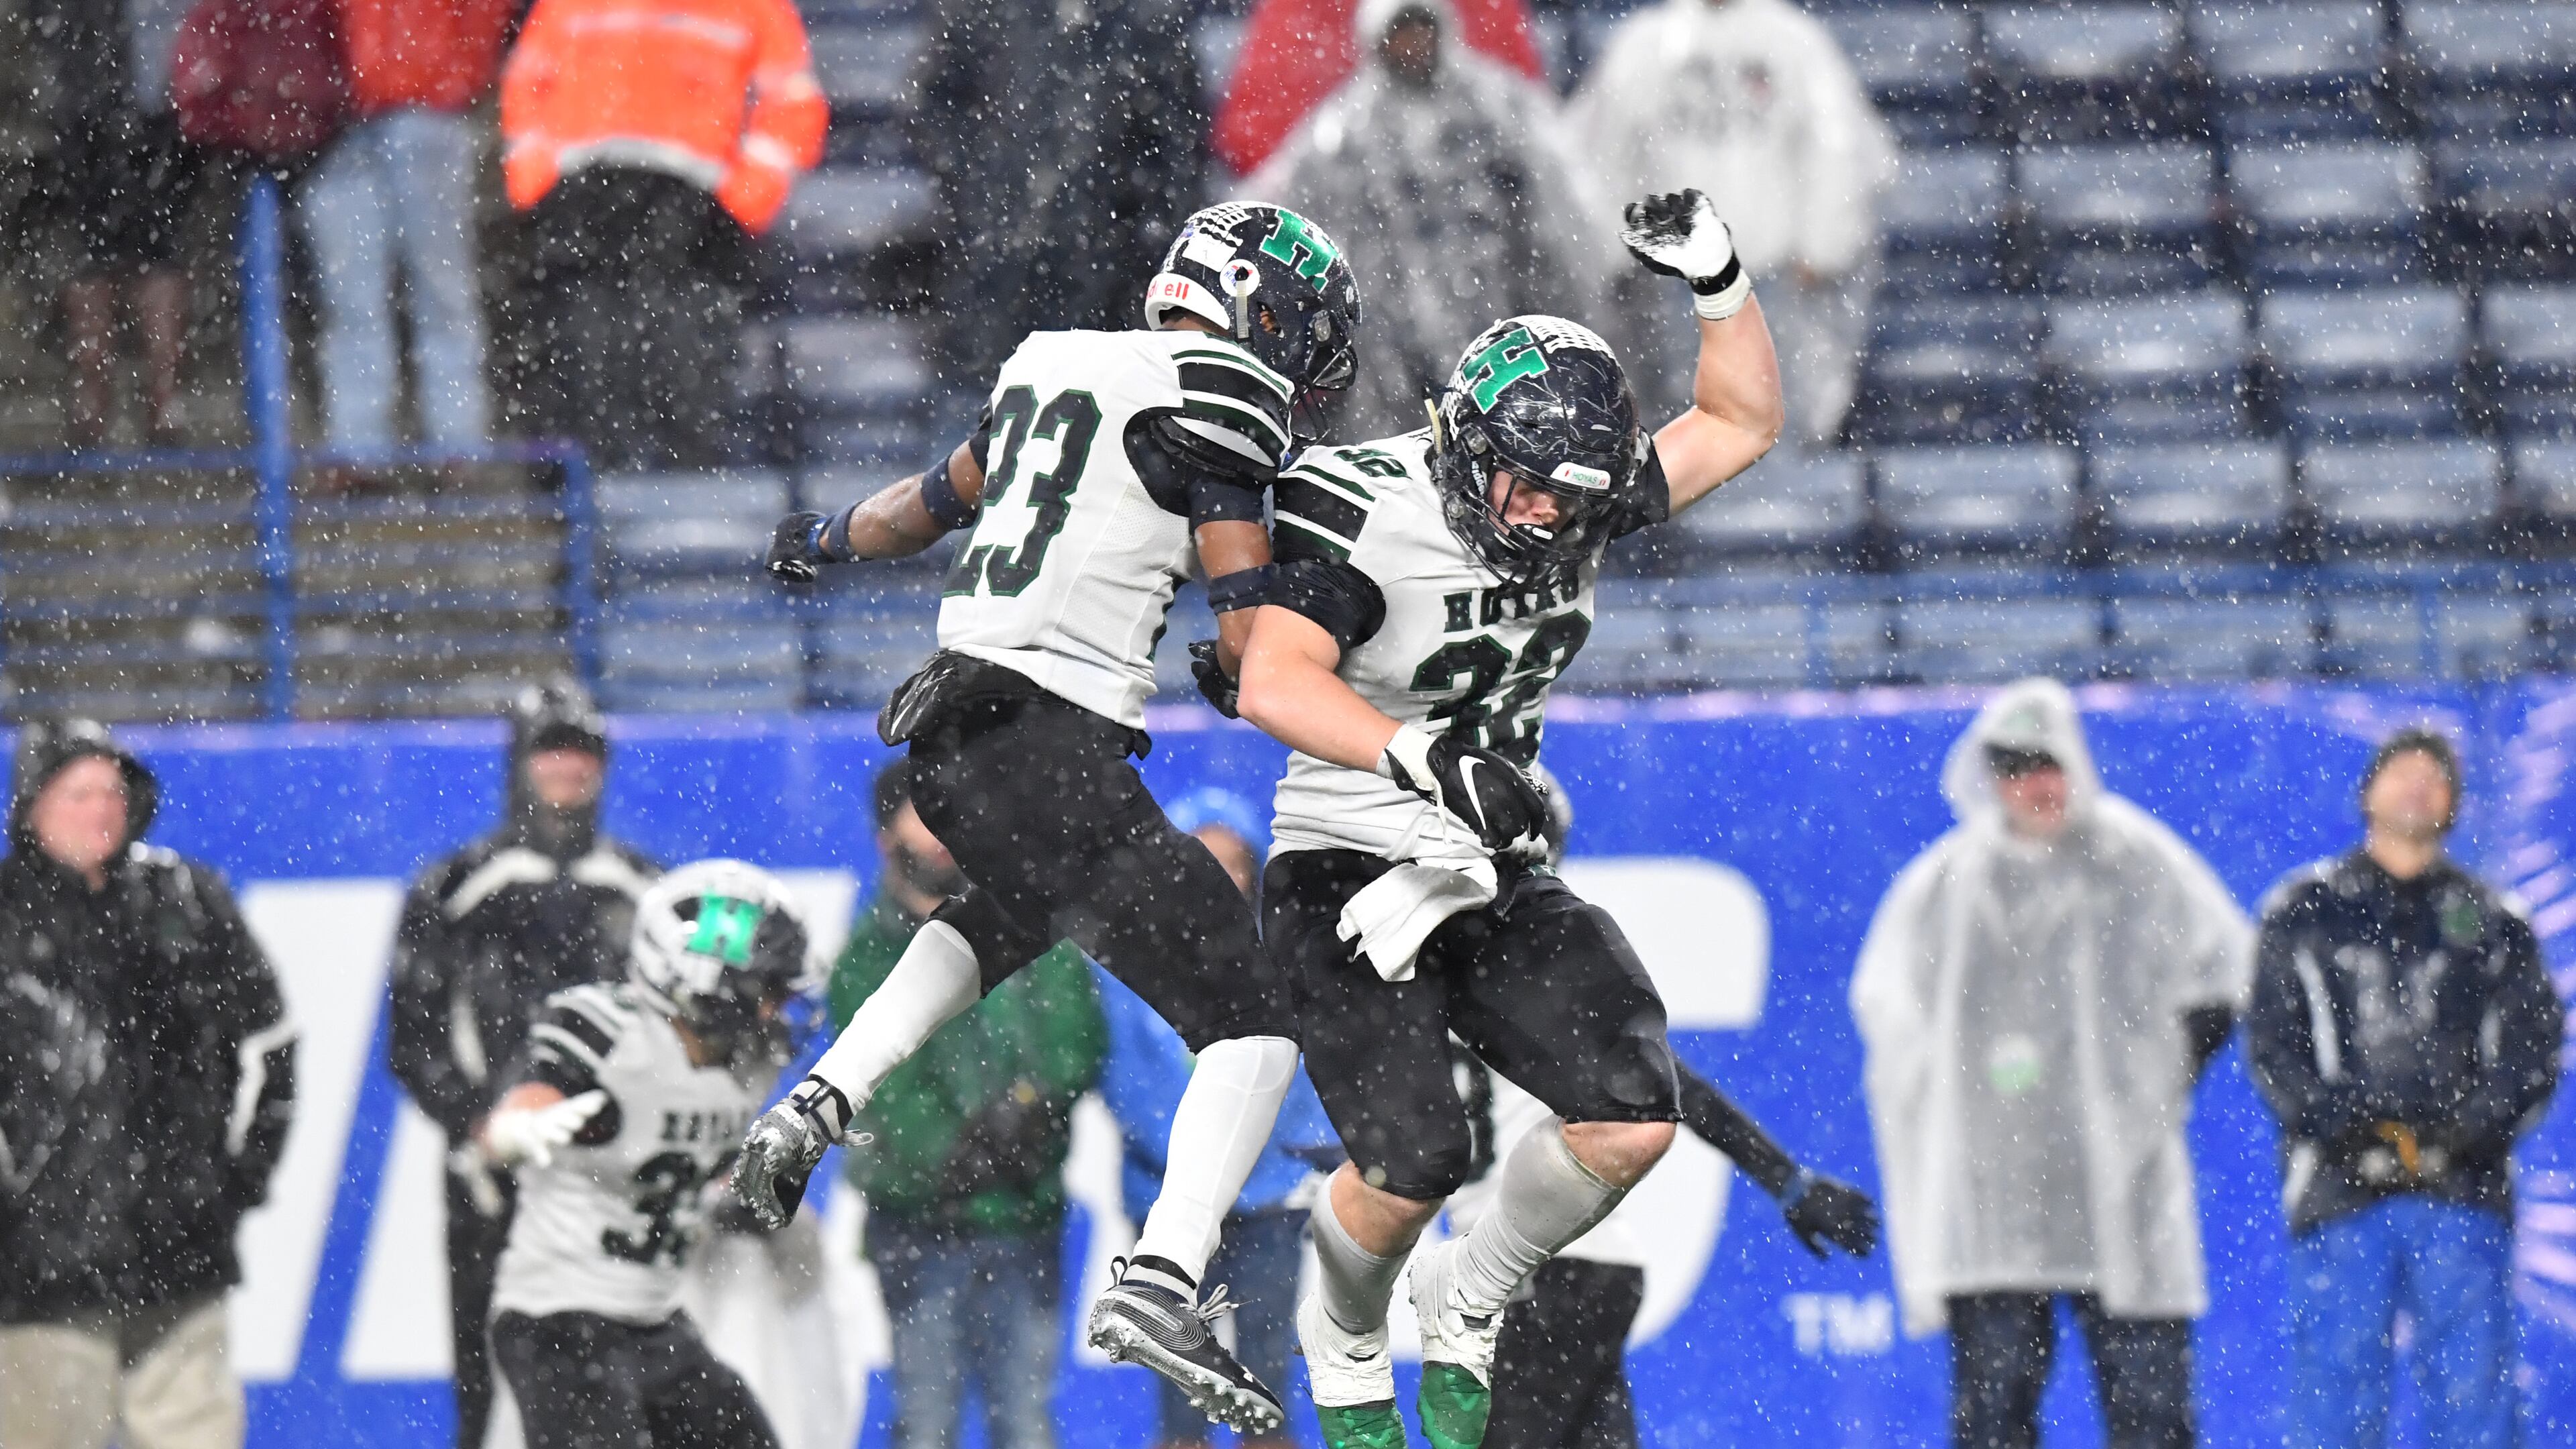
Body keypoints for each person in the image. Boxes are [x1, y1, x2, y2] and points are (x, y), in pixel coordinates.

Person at [742, 201, 1366, 1436]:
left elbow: (924, 504)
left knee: (1007, 916)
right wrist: (1295, 630)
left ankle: (818, 1099)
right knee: (1254, 1024)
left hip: (944, 739)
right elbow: (1246, 640)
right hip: (1052, 741)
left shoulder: (1048, 359)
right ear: (1260, 313)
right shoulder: (1226, 394)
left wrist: (816, 538)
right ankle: (1167, 1275)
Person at [1232, 189, 1784, 1447]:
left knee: (1631, 1111)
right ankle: (1347, 1332)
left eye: (1569, 500)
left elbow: (1746, 419)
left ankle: (1469, 1297)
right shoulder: (1358, 501)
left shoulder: (1575, 498)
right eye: (1523, 486)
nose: (1544, 516)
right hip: (1343, 854)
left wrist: (1718, 280)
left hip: (1481, 856)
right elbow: (1273, 679)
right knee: (1411, 1158)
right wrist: (1422, 758)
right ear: (1460, 442)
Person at [1850, 678, 2253, 1449]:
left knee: (2151, 1416)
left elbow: (2223, 974)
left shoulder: (2138, 861)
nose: (2035, 785)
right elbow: (1889, 1009)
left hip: (2122, 1186)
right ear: (1990, 778)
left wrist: (2157, 1085)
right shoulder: (1945, 886)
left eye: (2048, 763)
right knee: (1996, 1417)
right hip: (1993, 1199)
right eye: (2015, 768)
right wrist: (1961, 1105)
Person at [1452, 769, 1879, 1449]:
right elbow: (1676, 1091)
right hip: (1580, 1270)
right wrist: (1787, 1181)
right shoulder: (1537, 952)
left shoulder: (1436, 951)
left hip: (1543, 1271)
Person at [2246, 729, 2563, 1449]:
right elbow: (2273, 1046)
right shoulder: (2304, 911)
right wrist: (2347, 1132)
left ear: (2454, 805)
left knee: (2473, 1399)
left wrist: (2460, 1137)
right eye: (2402, 772)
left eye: (2436, 776)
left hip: (2462, 1193)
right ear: (2368, 792)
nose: (2418, 786)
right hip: (2338, 1191)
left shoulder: (2494, 921)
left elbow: (2531, 1052)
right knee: (2335, 1396)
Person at [0, 719, 297, 1449]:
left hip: (180, 1261)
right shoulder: (7, 917)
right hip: (43, 1276)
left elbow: (271, 1047)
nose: (100, 808)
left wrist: (235, 1182)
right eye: (77, 793)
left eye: (111, 790)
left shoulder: (186, 898)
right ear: (30, 805)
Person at [388, 680, 661, 1449]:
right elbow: (412, 1036)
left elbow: (691, 1029)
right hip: (492, 1181)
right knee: (492, 1385)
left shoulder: (649, 888)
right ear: (519, 763)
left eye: (583, 752)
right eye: (551, 750)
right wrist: (478, 1124)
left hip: (617, 1176)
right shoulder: (454, 886)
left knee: (624, 1388)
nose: (568, 769)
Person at [478, 859, 817, 1449]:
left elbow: (695, 1169)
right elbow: (523, 1106)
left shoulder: (746, 1062)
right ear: (704, 983)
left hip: (654, 1320)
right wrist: (515, 1131)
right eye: (766, 989)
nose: (776, 1009)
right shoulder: (615, 1034)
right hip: (558, 1315)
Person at [829, 761, 1105, 1449]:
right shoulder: (866, 955)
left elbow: (1075, 1034)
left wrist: (1030, 1106)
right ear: (885, 835)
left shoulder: (1024, 921)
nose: (945, 832)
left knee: (1027, 1422)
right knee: (927, 1424)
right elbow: (877, 1088)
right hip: (923, 1224)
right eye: (924, 815)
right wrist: (964, 1153)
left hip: (1022, 1216)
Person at [1092, 788, 1340, 1449]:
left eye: (1234, 863)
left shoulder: (1286, 958)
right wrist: (1203, 1161)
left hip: (1269, 1200)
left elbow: (1308, 1080)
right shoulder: (1126, 962)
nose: (1219, 877)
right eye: (1201, 859)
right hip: (1165, 1195)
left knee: (1264, 1388)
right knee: (1179, 1390)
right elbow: (1123, 1078)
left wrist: (1259, 1156)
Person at [1248, 0, 1607, 437]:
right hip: (1393, 342)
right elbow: (1293, 220)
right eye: (1400, 33)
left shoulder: (1501, 107)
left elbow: (1565, 211)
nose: (1413, 45)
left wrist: (1567, 303)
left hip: (1504, 316)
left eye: (1421, 30)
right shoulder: (1344, 133)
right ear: (1377, 41)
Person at [498, 0, 825, 469]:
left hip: (689, 216)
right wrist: (536, 185)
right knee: (587, 378)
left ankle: (675, 503)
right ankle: (609, 501)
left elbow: (794, 104)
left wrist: (742, 202)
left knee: (684, 382)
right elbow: (525, 84)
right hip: (586, 208)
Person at [1572, 0, 1892, 445]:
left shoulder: (1793, 40)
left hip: (1767, 278)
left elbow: (1838, 146)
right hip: (1671, 287)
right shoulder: (1645, 42)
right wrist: (1615, 258)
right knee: (1678, 436)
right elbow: (1605, 153)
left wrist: (1824, 246)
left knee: (1772, 429)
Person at [915, 0, 1209, 386]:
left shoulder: (1147, 20)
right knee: (981, 416)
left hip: (1104, 286)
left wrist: (1131, 221)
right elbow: (935, 106)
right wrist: (980, 189)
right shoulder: (978, 11)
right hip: (993, 285)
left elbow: (1177, 146)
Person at [297, 0, 513, 466]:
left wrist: (453, 78)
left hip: (420, 113)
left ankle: (454, 445)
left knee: (438, 291)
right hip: (348, 121)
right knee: (354, 296)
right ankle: (363, 447)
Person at [28, 0, 207, 446]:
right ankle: (133, 399)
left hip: (137, 96)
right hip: (110, 94)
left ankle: (133, 399)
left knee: (136, 251)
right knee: (117, 251)